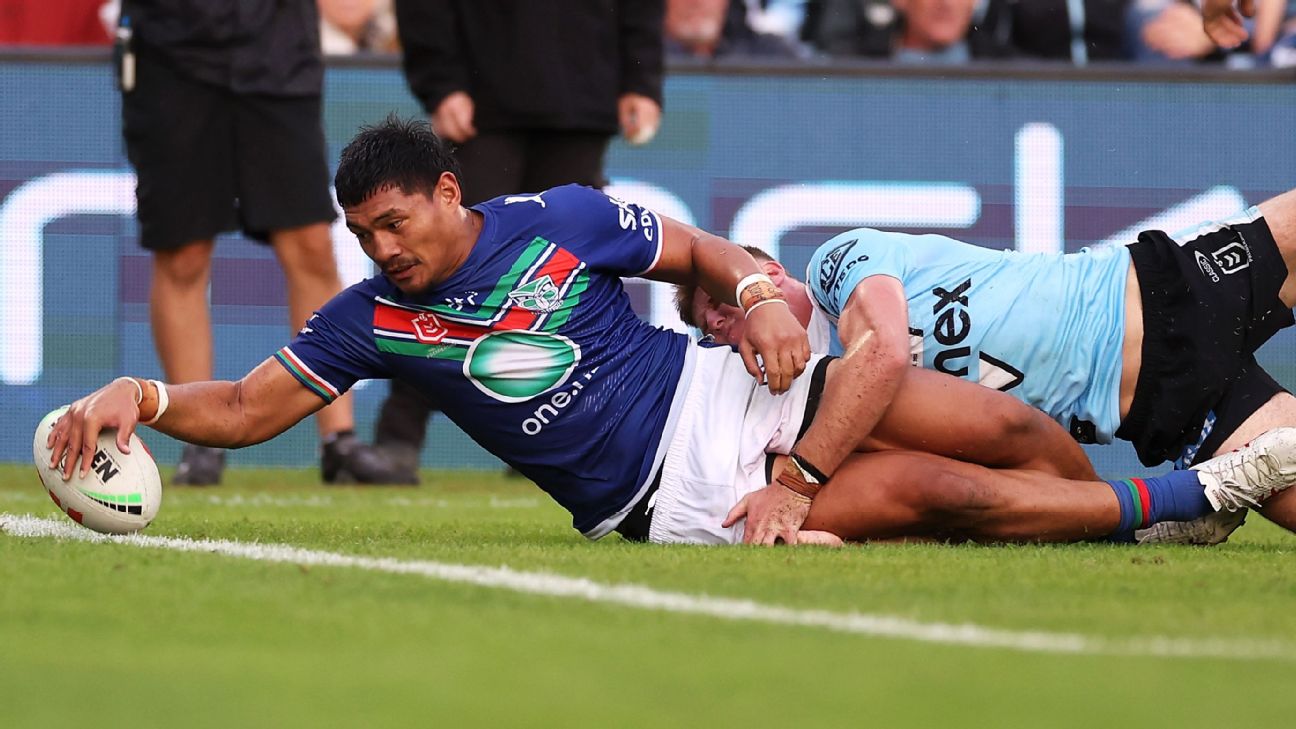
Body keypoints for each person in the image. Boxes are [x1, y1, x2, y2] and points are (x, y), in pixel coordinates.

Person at [44, 118, 1296, 547]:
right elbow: (252, 408)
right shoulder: (373, 318)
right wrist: (144, 400)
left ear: (445, 193)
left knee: (1009, 425)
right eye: (363, 233)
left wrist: (754, 296)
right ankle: (1203, 484)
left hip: (724, 390)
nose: (381, 249)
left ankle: (1136, 523)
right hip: (671, 492)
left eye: (392, 223)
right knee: (939, 490)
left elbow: (705, 254)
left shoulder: (563, 219)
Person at [682, 187, 1296, 543]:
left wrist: (798, 483)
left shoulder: (835, 264)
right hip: (1172, 408)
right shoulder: (817, 402)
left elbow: (887, 352)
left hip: (1156, 291)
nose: (716, 323)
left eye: (717, 300)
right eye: (706, 328)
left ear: (765, 275)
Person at [346, 0, 666, 483]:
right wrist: (442, 82)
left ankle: (560, 441)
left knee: (567, 279)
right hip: (483, 100)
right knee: (444, 267)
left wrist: (641, 80)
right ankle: (399, 435)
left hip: (581, 95)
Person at [116, 0, 360, 485]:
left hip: (278, 53)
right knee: (181, 253)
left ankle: (340, 441)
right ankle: (199, 441)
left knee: (311, 243)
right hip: (171, 54)